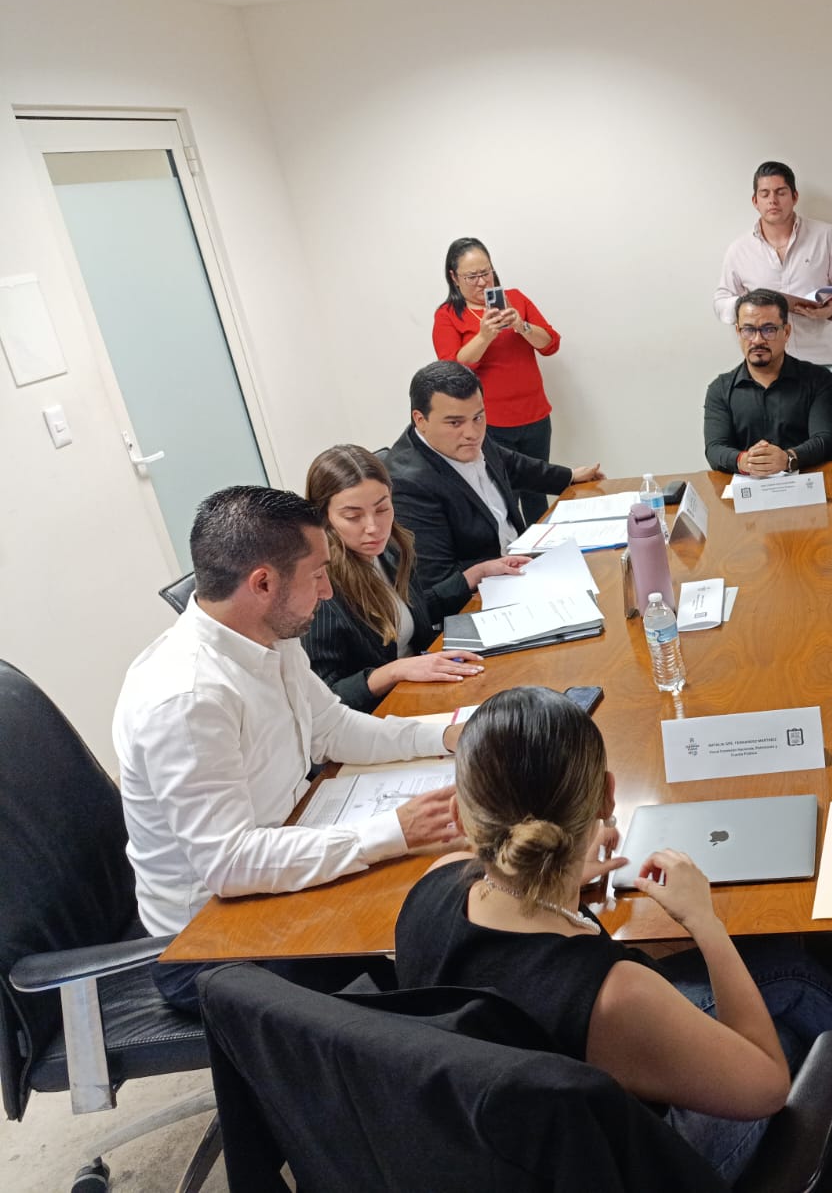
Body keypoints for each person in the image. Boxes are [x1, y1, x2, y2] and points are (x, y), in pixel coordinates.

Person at [395, 686, 832, 1186]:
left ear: (460, 815)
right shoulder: (616, 994)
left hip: (502, 1149)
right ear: (608, 795)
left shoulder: (434, 884)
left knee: (785, 971)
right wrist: (703, 921)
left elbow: (513, 953)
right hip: (639, 1165)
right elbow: (766, 1086)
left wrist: (559, 874)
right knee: (788, 1031)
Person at [113, 485, 468, 1012]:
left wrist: (446, 734)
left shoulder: (269, 635)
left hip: (285, 850)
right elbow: (231, 863)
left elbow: (332, 727)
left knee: (454, 885)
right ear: (263, 584)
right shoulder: (188, 699)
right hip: (212, 945)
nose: (327, 591)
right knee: (442, 918)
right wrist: (395, 830)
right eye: (318, 574)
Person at [304, 444, 532, 712]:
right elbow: (325, 698)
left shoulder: (391, 549)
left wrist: (475, 575)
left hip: (424, 685)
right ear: (324, 518)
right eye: (353, 516)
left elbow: (411, 614)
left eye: (382, 509)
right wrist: (394, 671)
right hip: (383, 712)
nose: (373, 527)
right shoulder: (318, 588)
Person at [386, 360, 603, 592]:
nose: (472, 433)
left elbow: (511, 464)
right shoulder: (407, 484)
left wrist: (568, 477)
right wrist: (493, 570)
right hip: (484, 593)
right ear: (420, 420)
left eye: (478, 417)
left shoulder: (467, 437)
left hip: (523, 565)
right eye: (455, 422)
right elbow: (438, 580)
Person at [433, 237, 563, 519]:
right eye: (472, 276)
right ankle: (513, 548)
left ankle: (545, 545)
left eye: (486, 272)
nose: (482, 282)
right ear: (454, 278)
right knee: (504, 497)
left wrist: (521, 325)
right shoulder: (448, 315)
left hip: (535, 416)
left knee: (537, 493)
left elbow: (550, 344)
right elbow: (451, 370)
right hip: (490, 424)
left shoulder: (516, 299)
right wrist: (484, 336)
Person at [714, 160, 832, 368]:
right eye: (765, 194)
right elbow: (721, 301)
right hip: (765, 364)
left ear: (794, 197)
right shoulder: (739, 249)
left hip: (818, 361)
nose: (772, 200)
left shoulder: (824, 236)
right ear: (755, 201)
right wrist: (749, 305)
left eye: (781, 192)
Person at [703, 289, 832, 476]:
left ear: (786, 332)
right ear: (738, 332)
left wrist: (787, 459)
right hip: (747, 487)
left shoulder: (819, 380)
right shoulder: (720, 389)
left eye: (768, 330)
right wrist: (745, 461)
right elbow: (715, 449)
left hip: (808, 483)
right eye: (748, 330)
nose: (757, 340)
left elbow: (826, 440)